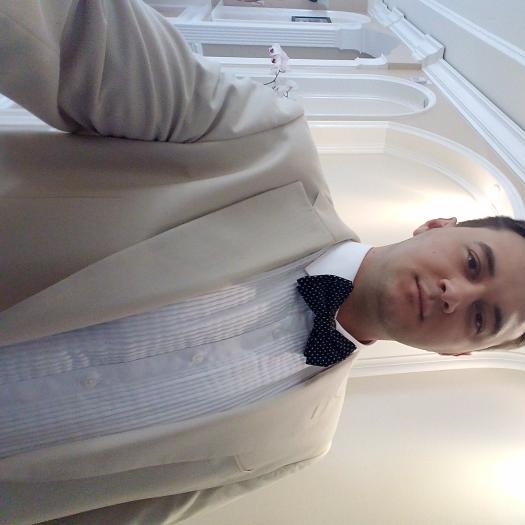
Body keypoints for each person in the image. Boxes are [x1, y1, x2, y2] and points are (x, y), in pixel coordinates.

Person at [1, 1, 524, 523]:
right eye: (473, 264)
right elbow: (72, 31)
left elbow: (114, 514)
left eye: (482, 318)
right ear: (437, 225)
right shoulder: (261, 146)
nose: (456, 294)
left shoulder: (298, 444)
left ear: (458, 353)